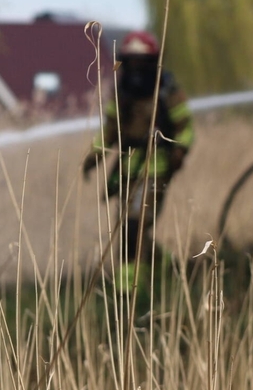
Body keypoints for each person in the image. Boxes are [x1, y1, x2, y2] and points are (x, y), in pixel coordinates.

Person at [82, 30, 193, 289]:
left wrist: (179, 150)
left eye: (141, 61)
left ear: (153, 62)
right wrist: (94, 155)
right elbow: (110, 128)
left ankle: (128, 286)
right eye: (130, 61)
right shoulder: (121, 92)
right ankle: (161, 262)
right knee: (129, 227)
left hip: (156, 169)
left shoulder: (167, 91)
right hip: (127, 169)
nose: (135, 68)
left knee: (135, 224)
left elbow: (186, 127)